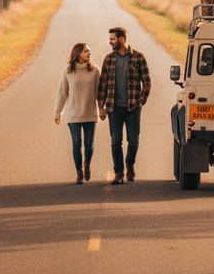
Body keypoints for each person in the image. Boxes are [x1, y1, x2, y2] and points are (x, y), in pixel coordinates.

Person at [98, 26, 151, 185]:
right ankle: (119, 173)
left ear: (121, 39)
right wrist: (101, 107)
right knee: (115, 141)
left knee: (133, 140)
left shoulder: (138, 57)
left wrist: (141, 100)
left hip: (133, 107)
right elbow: (103, 84)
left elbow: (146, 82)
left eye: (112, 39)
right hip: (114, 108)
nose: (110, 42)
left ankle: (130, 163)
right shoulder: (109, 59)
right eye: (110, 39)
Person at [54, 43, 100, 184]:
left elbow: (100, 92)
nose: (89, 53)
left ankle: (87, 165)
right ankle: (79, 172)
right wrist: (58, 112)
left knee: (89, 144)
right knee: (76, 143)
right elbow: (62, 92)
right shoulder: (68, 71)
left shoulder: (95, 70)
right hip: (73, 114)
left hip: (90, 113)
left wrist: (102, 108)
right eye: (86, 51)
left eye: (89, 51)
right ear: (78, 53)